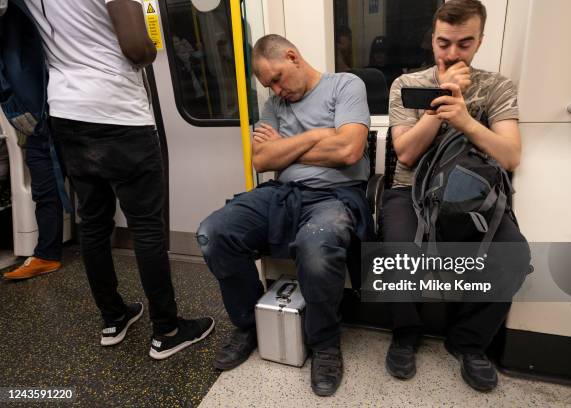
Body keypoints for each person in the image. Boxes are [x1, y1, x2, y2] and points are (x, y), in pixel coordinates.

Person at [24, 0, 214, 359]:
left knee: (93, 224)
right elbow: (137, 48)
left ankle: (113, 318)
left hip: (67, 112)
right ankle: (167, 329)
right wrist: (151, 48)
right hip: (118, 112)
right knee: (146, 226)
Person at [197, 34, 372, 396]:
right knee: (213, 232)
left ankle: (324, 343)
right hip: (282, 194)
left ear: (292, 57)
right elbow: (261, 161)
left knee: (317, 244)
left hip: (334, 194)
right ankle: (249, 325)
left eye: (276, 78)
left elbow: (350, 149)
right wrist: (319, 136)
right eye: (268, 85)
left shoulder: (345, 85)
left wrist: (285, 148)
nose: (275, 90)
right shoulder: (274, 103)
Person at [381, 0, 530, 392]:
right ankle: (406, 334)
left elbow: (511, 154)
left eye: (464, 44)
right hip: (411, 190)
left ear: (479, 42)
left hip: (475, 194)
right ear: (432, 39)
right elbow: (406, 154)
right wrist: (438, 104)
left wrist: (464, 119)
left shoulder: (497, 87)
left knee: (514, 254)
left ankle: (468, 343)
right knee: (397, 248)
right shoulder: (406, 86)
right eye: (444, 43)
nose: (451, 54)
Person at [1, 0, 64, 281]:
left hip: (58, 96)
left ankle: (89, 246)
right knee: (43, 178)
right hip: (37, 100)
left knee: (88, 180)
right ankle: (48, 254)